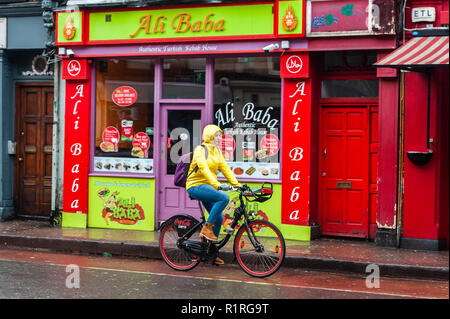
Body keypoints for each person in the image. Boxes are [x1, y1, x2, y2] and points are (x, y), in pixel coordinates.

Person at [186, 124, 241, 265]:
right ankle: (206, 228)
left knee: (219, 218)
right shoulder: (200, 150)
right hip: (195, 186)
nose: (219, 138)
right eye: (216, 135)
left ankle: (210, 253)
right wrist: (217, 185)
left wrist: (238, 185)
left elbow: (226, 169)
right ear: (209, 135)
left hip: (208, 187)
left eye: (220, 135)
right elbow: (204, 169)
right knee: (224, 197)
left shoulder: (217, 152)